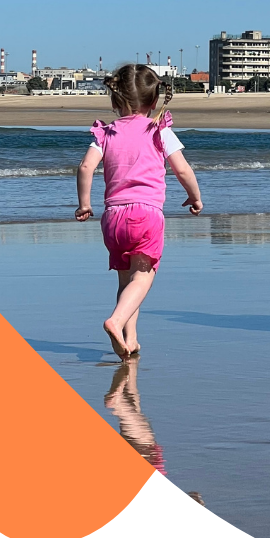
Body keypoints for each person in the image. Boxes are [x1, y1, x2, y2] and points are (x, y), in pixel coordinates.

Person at [76, 63, 203, 360]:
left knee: (126, 281)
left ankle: (129, 339)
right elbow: (183, 169)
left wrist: (84, 203)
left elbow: (85, 167)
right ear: (154, 100)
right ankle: (116, 321)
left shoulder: (106, 133)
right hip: (146, 215)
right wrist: (194, 197)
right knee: (143, 278)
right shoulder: (159, 130)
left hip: (112, 217)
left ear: (115, 99)